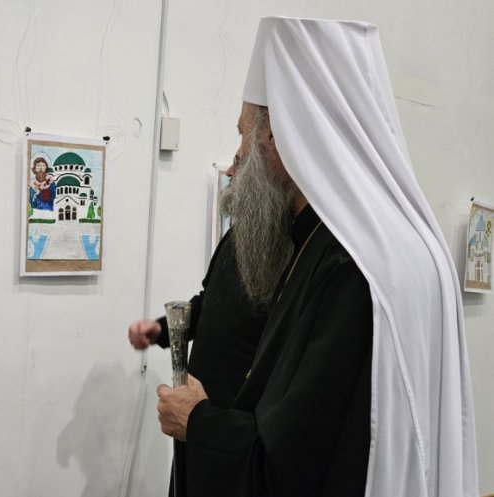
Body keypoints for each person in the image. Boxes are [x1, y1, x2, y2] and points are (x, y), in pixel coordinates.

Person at [154, 16, 478, 497]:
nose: (238, 155)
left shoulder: (348, 267)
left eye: (245, 134)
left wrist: (198, 420)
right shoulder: (384, 243)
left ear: (279, 137)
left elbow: (295, 463)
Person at [128, 229, 269, 497]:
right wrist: (161, 329)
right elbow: (211, 300)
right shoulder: (241, 232)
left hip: (234, 419)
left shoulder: (292, 246)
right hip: (196, 408)